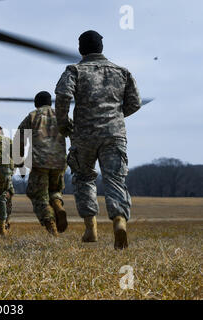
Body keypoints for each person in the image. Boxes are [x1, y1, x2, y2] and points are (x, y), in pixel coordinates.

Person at [54, 30, 141, 249]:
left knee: (84, 178)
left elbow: (63, 95)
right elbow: (134, 103)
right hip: (114, 135)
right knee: (115, 179)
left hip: (83, 134)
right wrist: (115, 117)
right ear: (101, 48)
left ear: (81, 49)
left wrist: (63, 123)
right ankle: (119, 221)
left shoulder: (74, 70)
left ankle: (90, 228)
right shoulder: (122, 72)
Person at [17, 91, 68, 236]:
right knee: (54, 190)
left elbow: (19, 139)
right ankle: (58, 205)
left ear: (36, 103)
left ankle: (51, 227)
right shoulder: (61, 115)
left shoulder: (33, 116)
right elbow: (74, 132)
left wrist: (19, 161)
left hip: (40, 163)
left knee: (39, 196)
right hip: (59, 163)